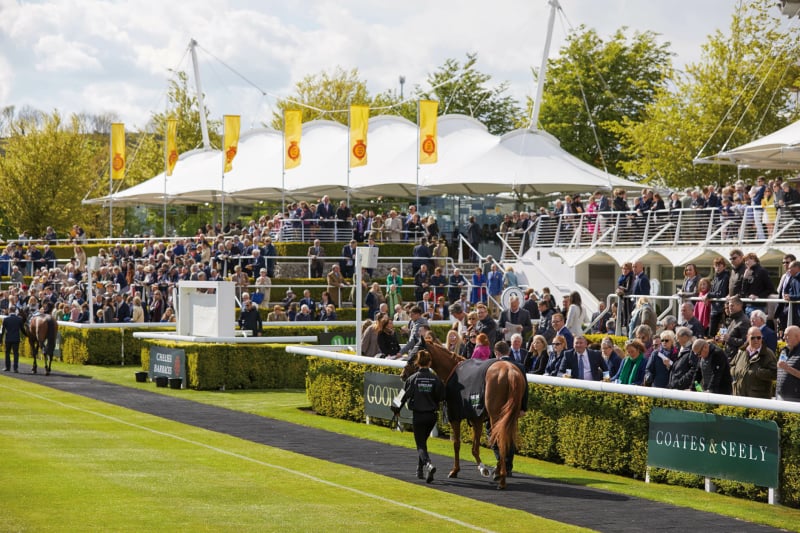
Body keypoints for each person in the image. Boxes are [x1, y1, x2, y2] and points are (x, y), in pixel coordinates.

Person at [391, 349, 445, 483]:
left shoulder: (412, 379)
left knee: (420, 445)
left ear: (417, 363)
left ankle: (428, 464)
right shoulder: (435, 379)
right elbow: (442, 396)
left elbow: (402, 396)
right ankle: (420, 470)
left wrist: (395, 409)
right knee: (423, 444)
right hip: (432, 417)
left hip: (418, 416)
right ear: (430, 362)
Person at [730, 326, 777, 399]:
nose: (756, 340)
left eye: (758, 337)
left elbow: (775, 373)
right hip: (739, 397)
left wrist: (759, 372)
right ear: (747, 337)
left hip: (758, 399)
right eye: (753, 338)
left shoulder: (768, 353)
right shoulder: (741, 351)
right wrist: (735, 371)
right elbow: (732, 365)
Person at [718, 296, 751, 361]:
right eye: (729, 306)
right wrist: (723, 340)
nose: (730, 308)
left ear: (739, 306)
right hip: (729, 355)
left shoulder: (744, 321)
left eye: (732, 306)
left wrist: (729, 339)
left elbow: (746, 342)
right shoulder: (733, 319)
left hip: (737, 358)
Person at [706, 257, 730, 337]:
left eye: (720, 265)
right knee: (712, 333)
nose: (718, 267)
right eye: (716, 265)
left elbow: (721, 293)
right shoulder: (716, 277)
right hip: (715, 308)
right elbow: (713, 291)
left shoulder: (725, 277)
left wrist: (708, 295)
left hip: (722, 309)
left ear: (724, 266)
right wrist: (708, 295)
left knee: (723, 332)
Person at [777, 325, 800, 401]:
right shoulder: (784, 350)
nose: (784, 338)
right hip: (780, 396)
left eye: (787, 336)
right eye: (784, 335)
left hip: (795, 399)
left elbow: (785, 368)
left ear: (797, 337)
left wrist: (787, 368)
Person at [1, 307, 24, 373]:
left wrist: (1, 339)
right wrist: (27, 335)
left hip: (8, 338)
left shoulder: (6, 319)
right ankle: (15, 368)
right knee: (16, 353)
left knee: (7, 353)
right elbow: (22, 329)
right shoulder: (19, 319)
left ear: (9, 311)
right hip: (16, 338)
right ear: (15, 311)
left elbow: (2, 330)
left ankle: (7, 367)